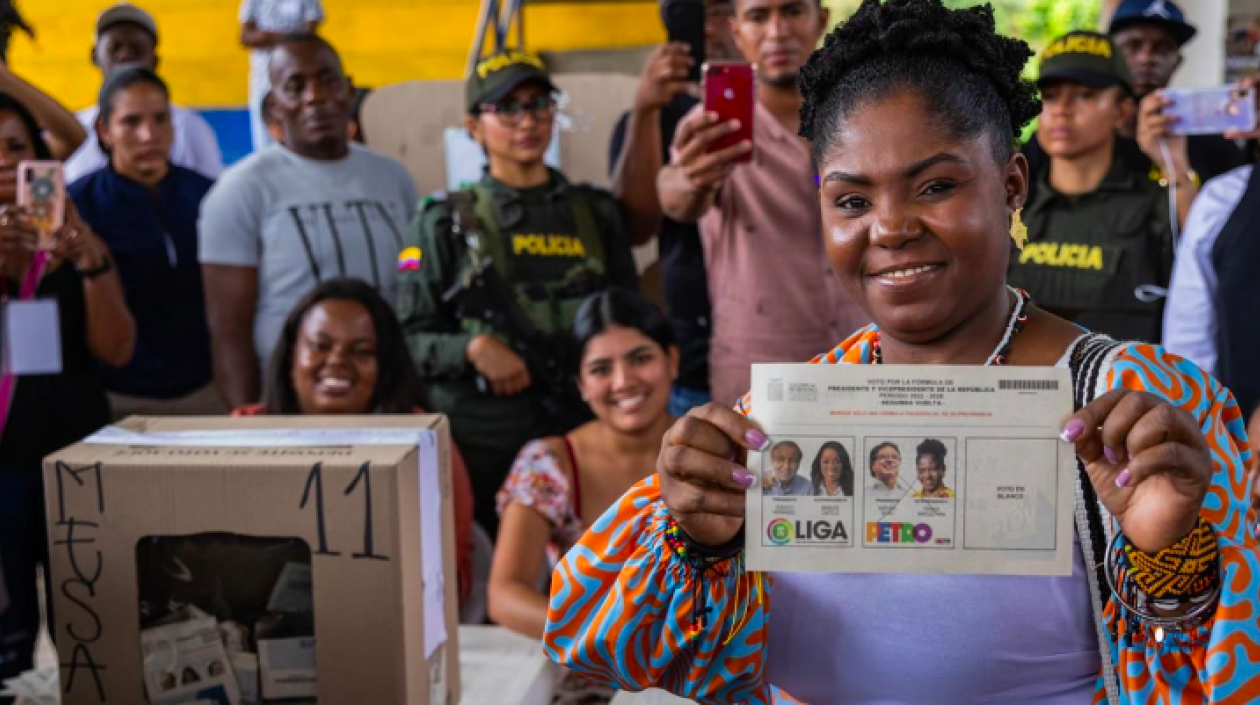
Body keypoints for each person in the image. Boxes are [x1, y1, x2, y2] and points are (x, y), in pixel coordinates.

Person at [542, 2, 1259, 702]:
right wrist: (699, 539)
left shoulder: (1141, 407)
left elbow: (1226, 668)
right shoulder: (790, 413)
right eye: (851, 201)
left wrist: (1172, 556)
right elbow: (594, 637)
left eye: (936, 186)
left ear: (1012, 184)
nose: (889, 227)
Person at [397, 50, 637, 534]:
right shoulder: (441, 221)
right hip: (486, 437)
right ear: (474, 127)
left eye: (538, 104)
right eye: (506, 109)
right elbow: (407, 338)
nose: (526, 121)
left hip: (583, 421)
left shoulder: (594, 212)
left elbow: (630, 320)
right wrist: (472, 348)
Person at [656, 0, 865, 407]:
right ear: (737, 32)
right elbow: (677, 198)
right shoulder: (710, 126)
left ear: (820, 19)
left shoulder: (859, 115)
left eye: (791, 12)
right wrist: (692, 179)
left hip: (862, 354)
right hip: (757, 371)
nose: (776, 31)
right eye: (758, 16)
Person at [200, 34, 418, 411]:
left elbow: (413, 273)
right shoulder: (240, 190)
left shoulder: (394, 178)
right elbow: (229, 330)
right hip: (292, 404)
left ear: (349, 92)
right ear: (273, 106)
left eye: (328, 82)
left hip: (385, 394)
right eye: (295, 87)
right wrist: (249, 422)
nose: (315, 97)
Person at [0, 93, 134, 689]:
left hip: (74, 461)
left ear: (40, 160)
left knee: (91, 622)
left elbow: (117, 350)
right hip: (2, 469)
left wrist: (89, 264)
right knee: (6, 636)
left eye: (15, 148)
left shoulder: (79, 239)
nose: (4, 162)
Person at [234, 278, 475, 606]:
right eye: (320, 346)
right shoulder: (240, 433)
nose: (337, 360)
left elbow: (452, 567)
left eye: (361, 351)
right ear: (291, 356)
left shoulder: (425, 441)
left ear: (384, 367)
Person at [489, 288, 677, 640]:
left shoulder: (713, 453)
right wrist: (609, 642)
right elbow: (504, 595)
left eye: (640, 359)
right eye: (601, 369)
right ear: (581, 385)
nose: (623, 381)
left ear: (673, 361)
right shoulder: (548, 465)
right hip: (594, 674)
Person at [608, 0, 739, 417]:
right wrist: (647, 110)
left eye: (721, 12)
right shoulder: (653, 116)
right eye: (692, 16)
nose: (708, 29)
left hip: (793, 345)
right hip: (693, 358)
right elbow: (634, 227)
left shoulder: (796, 108)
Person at [69, 65, 220, 418]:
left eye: (160, 119)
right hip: (117, 399)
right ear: (104, 131)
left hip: (208, 393)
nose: (148, 135)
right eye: (131, 122)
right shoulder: (78, 207)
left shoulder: (211, 196)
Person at [1007, 31, 1171, 343]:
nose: (1062, 109)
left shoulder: (1158, 208)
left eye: (1085, 95)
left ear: (1122, 111)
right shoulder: (1007, 208)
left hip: (1126, 390)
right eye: (1051, 96)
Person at [1024, 0, 1246, 212]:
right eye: (1133, 46)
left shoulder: (1208, 136)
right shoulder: (1070, 133)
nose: (1147, 58)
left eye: (1162, 48)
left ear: (1178, 61)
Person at [64, 3, 223, 184]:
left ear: (155, 61)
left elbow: (212, 198)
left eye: (137, 49)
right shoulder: (74, 131)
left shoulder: (190, 128)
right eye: (114, 48)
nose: (125, 56)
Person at [239, 0, 324, 151]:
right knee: (264, 136)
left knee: (300, 131)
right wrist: (290, 36)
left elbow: (309, 35)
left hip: (298, 76)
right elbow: (245, 37)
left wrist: (267, 36)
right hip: (263, 78)